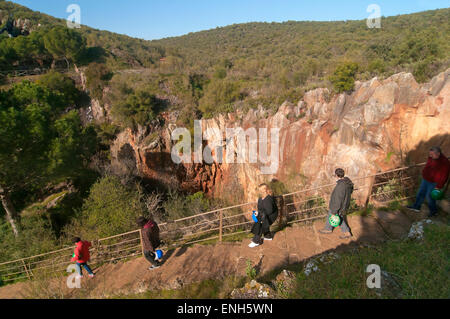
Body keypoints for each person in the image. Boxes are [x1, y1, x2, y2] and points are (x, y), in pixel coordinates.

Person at [407, 147, 450, 217]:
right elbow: (428, 165)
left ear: (438, 154)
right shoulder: (431, 157)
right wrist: (424, 172)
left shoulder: (445, 162)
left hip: (434, 182)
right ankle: (416, 206)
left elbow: (445, 176)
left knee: (429, 197)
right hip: (426, 179)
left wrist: (439, 186)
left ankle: (434, 212)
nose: (430, 156)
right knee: (420, 193)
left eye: (432, 154)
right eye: (430, 154)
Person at [319, 168, 354, 239]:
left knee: (335, 216)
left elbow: (338, 199)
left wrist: (335, 211)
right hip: (345, 204)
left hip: (339, 206)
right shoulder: (347, 182)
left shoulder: (340, 186)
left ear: (336, 175)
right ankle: (328, 229)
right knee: (336, 216)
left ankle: (346, 232)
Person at [249, 183, 279, 248]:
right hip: (264, 215)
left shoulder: (268, 199)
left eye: (264, 189)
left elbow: (270, 211)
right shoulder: (260, 199)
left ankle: (256, 241)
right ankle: (268, 236)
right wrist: (257, 213)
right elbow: (259, 209)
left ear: (266, 189)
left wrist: (260, 215)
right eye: (261, 189)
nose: (263, 191)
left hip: (271, 215)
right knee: (260, 219)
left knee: (261, 223)